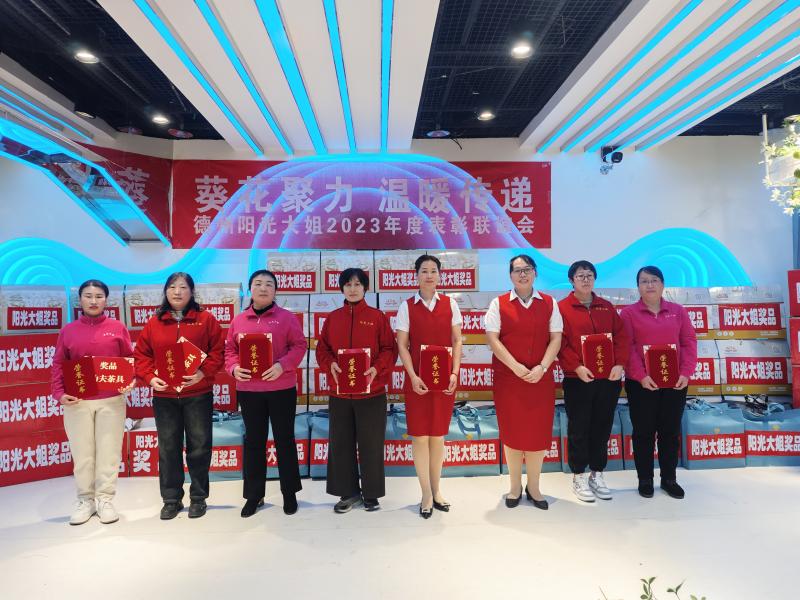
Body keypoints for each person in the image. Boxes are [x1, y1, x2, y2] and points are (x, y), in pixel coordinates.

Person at [134, 272, 225, 520]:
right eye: (172, 287)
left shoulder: (205, 320)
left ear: (192, 292)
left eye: (183, 287)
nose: (177, 292)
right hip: (164, 396)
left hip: (198, 394)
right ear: (165, 291)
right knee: (168, 448)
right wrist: (150, 378)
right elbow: (142, 355)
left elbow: (218, 351)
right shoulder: (154, 323)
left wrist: (202, 373)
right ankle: (171, 499)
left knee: (199, 447)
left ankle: (199, 497)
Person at [225, 269, 307, 518]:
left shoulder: (286, 318)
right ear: (250, 289)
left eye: (269, 284)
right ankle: (254, 495)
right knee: (254, 442)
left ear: (275, 291)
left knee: (285, 440)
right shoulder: (239, 320)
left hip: (281, 389)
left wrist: (282, 365)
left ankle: (289, 493)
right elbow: (230, 350)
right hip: (249, 391)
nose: (263, 288)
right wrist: (234, 368)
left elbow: (299, 345)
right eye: (258, 284)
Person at [315, 268, 398, 514]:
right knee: (341, 443)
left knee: (371, 444)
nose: (353, 289)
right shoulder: (333, 318)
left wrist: (376, 368)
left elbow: (389, 349)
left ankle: (371, 493)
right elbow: (322, 349)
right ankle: (348, 493)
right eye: (348, 284)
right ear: (341, 288)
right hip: (340, 393)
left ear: (365, 288)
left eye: (358, 284)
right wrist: (330, 364)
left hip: (372, 393)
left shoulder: (377, 317)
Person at [51, 279, 133, 525]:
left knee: (109, 452)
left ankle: (105, 499)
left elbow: (129, 359)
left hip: (111, 400)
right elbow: (58, 363)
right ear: (80, 300)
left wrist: (130, 380)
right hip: (77, 401)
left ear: (106, 300)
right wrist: (59, 393)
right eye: (88, 296)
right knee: (83, 454)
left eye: (99, 296)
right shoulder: (68, 331)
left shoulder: (117, 327)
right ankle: (85, 500)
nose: (93, 301)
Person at [486, 255, 562, 510]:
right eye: (517, 270)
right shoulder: (498, 304)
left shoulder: (549, 303)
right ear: (510, 275)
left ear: (535, 273)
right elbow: (493, 340)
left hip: (540, 379)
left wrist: (542, 367)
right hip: (509, 380)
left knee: (537, 433)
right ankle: (515, 487)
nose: (522, 274)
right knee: (513, 432)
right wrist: (515, 367)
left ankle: (535, 487)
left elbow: (556, 339)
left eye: (527, 269)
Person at [620, 266, 697, 500]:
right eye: (644, 281)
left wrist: (685, 372)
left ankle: (669, 478)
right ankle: (645, 479)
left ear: (662, 285)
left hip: (674, 383)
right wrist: (641, 375)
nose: (650, 285)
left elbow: (688, 342)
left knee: (669, 432)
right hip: (641, 384)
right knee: (643, 432)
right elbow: (627, 347)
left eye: (654, 280)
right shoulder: (628, 314)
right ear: (638, 287)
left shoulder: (678, 311)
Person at [396, 254, 463, 518]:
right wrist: (412, 376)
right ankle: (425, 493)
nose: (429, 275)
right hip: (418, 382)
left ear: (440, 275)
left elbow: (457, 340)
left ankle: (437, 491)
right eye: (424, 271)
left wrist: (455, 372)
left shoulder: (450, 304)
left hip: (444, 380)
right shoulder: (407, 307)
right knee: (420, 437)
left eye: (433, 270)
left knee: (438, 436)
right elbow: (402, 345)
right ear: (416, 275)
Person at [558, 260, 629, 502]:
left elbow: (621, 337)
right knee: (578, 427)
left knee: (602, 426)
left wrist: (619, 364)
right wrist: (576, 367)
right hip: (577, 379)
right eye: (580, 276)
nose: (585, 279)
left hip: (608, 379)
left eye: (589, 275)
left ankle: (597, 473)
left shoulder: (606, 307)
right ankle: (578, 475)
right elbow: (560, 343)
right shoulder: (562, 308)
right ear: (571, 280)